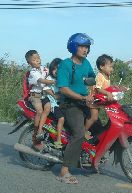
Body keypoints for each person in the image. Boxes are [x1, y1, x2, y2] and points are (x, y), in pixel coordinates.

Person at [56, 33, 96, 184]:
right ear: (73, 47)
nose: (85, 49)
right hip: (70, 104)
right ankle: (64, 171)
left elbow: (92, 78)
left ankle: (90, 158)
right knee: (79, 133)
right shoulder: (65, 64)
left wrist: (94, 89)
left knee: (98, 124)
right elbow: (64, 89)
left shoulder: (86, 63)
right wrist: (82, 97)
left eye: (86, 47)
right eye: (81, 46)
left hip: (84, 102)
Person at [24, 50, 55, 151]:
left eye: (38, 58)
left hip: (43, 95)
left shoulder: (44, 69)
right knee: (40, 111)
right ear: (29, 63)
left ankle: (41, 128)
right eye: (34, 60)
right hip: (35, 96)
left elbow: (51, 72)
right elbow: (43, 81)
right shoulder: (33, 73)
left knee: (48, 107)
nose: (37, 60)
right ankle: (37, 131)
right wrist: (54, 81)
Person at [84, 54, 114, 139]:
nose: (112, 69)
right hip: (94, 100)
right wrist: (108, 93)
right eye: (110, 67)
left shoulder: (107, 76)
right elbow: (98, 89)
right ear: (102, 67)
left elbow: (108, 88)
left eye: (112, 67)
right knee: (94, 117)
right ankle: (84, 131)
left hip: (100, 100)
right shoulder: (100, 76)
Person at [40, 58, 65, 149]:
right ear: (51, 69)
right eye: (55, 69)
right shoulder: (50, 78)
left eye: (59, 69)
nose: (57, 71)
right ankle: (58, 140)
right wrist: (54, 95)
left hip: (59, 103)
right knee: (61, 118)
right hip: (52, 103)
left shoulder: (62, 79)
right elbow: (45, 88)